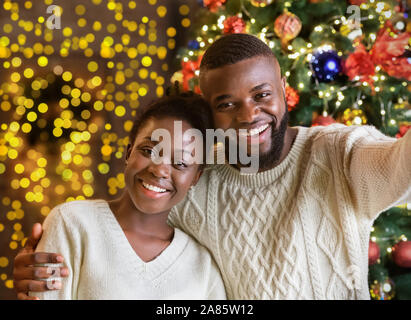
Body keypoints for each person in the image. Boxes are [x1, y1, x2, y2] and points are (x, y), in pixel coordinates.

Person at [14, 34, 411, 300]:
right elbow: (132, 209)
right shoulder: (201, 175)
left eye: (262, 95)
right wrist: (46, 252)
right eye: (226, 104)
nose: (249, 115)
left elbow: (399, 167)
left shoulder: (341, 154)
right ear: (210, 111)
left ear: (283, 90)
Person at [21, 93, 227, 299]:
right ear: (129, 153)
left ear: (195, 178)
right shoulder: (71, 223)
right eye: (149, 150)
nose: (159, 170)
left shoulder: (203, 268)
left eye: (181, 163)